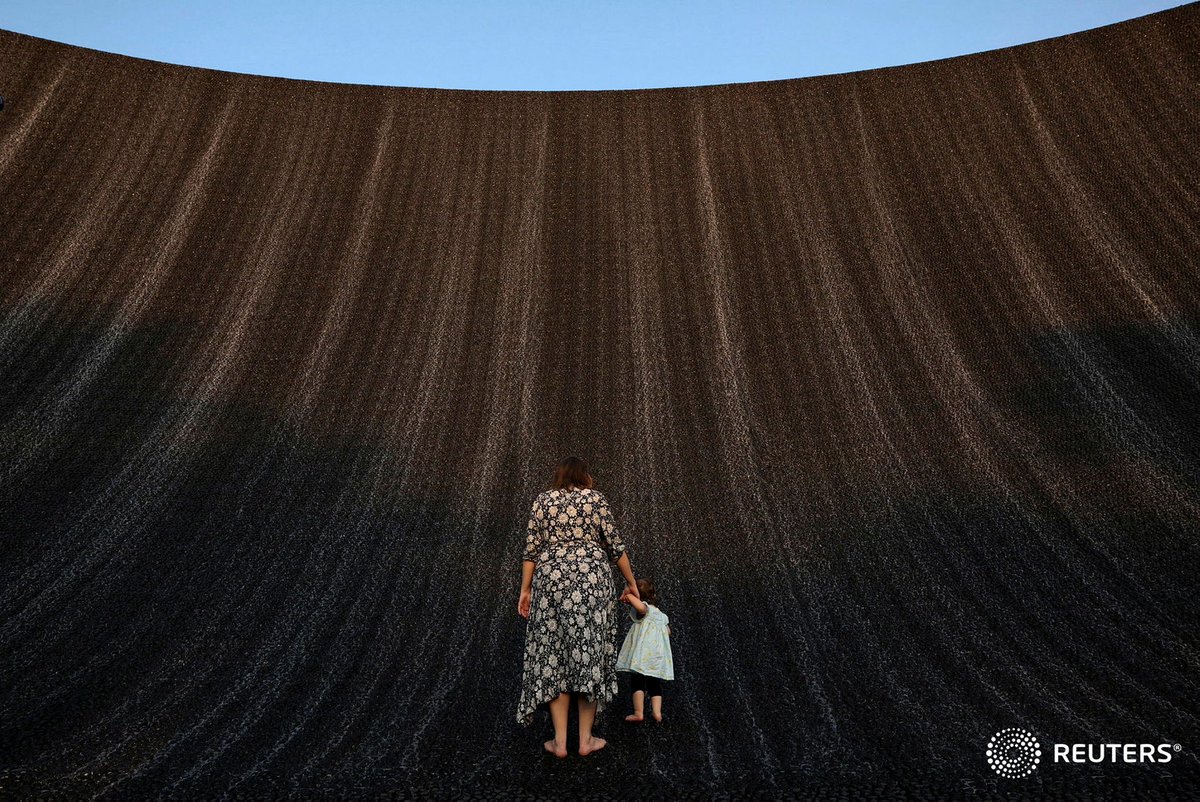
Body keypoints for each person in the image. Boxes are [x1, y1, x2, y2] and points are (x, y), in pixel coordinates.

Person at [516, 456, 640, 758]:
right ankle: (585, 740)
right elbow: (614, 545)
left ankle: (560, 742)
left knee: (553, 657)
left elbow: (531, 549)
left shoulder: (542, 501)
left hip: (551, 580)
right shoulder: (595, 499)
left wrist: (525, 589)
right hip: (591, 580)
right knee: (589, 654)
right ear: (585, 476)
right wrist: (631, 582)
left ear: (559, 476)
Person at [617, 578, 674, 722]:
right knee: (654, 683)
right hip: (657, 656)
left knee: (637, 681)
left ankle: (638, 713)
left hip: (642, 654)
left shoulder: (644, 608)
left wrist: (629, 595)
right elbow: (668, 632)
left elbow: (642, 608)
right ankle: (657, 713)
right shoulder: (661, 615)